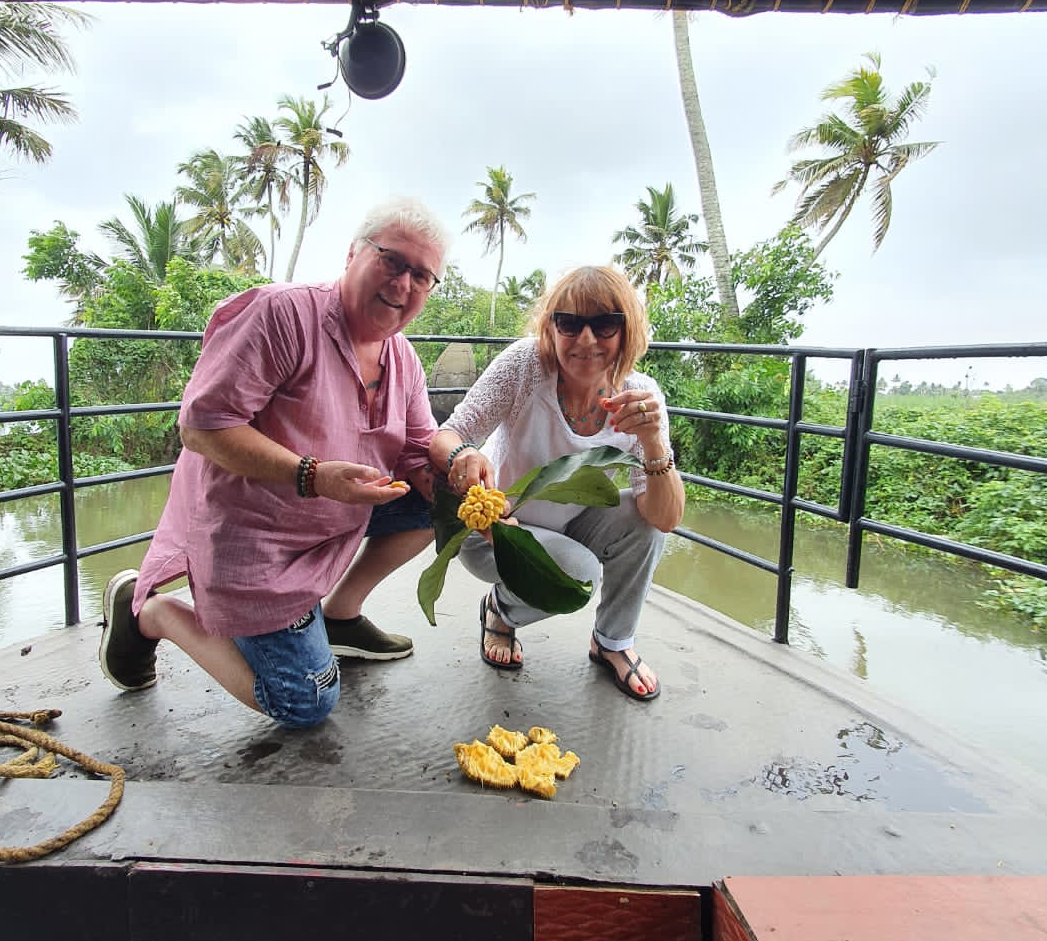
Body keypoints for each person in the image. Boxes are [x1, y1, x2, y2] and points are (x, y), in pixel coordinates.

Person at [98, 197, 448, 728]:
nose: (403, 285)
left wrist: (461, 484)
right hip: (254, 533)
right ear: (353, 252)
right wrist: (312, 474)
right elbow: (201, 426)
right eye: (391, 261)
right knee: (303, 703)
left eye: (421, 275)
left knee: (436, 504)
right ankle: (152, 612)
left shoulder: (404, 358)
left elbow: (419, 450)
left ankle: (340, 615)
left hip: (337, 516)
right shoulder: (282, 314)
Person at [428, 265, 684, 700]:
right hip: (493, 525)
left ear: (627, 332)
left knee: (641, 524)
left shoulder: (640, 397)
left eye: (605, 324)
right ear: (551, 327)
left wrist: (653, 438)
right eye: (569, 322)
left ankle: (613, 642)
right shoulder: (525, 367)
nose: (586, 340)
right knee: (579, 573)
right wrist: (464, 456)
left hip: (570, 523)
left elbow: (664, 518)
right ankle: (501, 611)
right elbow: (448, 434)